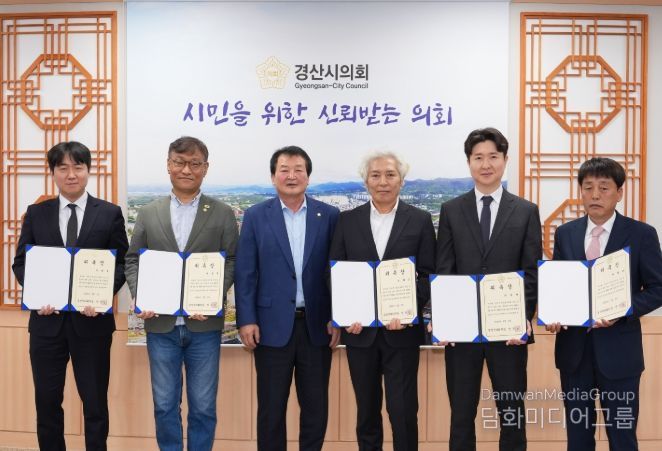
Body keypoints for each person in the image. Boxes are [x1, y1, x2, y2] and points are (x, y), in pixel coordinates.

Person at [12, 141, 129, 451]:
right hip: (46, 324)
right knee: (47, 402)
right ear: (53, 173)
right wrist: (37, 294)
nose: (71, 174)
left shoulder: (109, 213)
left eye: (78, 167)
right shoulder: (36, 213)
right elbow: (21, 262)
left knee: (95, 403)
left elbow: (121, 263)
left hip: (92, 324)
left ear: (88, 170)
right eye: (62, 168)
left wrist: (102, 296)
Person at [124, 136, 238, 451]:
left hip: (204, 327)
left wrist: (212, 296)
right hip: (161, 326)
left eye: (194, 163)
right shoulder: (149, 212)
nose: (187, 169)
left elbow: (232, 260)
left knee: (203, 407)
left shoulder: (222, 213)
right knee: (164, 405)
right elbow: (133, 259)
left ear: (205, 168)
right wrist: (140, 294)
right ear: (168, 165)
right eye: (180, 162)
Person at [434, 127, 541, 451]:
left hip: (508, 333)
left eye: (493, 156)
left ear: (505, 160)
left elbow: (531, 271)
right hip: (462, 334)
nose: (486, 164)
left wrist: (522, 318)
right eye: (478, 157)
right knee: (461, 415)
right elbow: (445, 270)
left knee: (511, 413)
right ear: (469, 162)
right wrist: (445, 320)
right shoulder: (451, 210)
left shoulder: (525, 211)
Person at [545, 157, 662, 451]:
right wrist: (554, 315)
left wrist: (622, 310)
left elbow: (658, 289)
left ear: (619, 192)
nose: (595, 195)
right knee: (578, 439)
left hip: (619, 354)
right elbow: (560, 285)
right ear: (581, 192)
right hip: (574, 354)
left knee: (622, 438)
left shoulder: (641, 234)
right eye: (588, 188)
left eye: (604, 188)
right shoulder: (566, 233)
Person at [235, 145, 340, 451]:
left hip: (317, 327)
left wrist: (337, 317)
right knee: (271, 410)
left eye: (298, 170)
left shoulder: (329, 215)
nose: (291, 176)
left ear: (308, 177)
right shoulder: (256, 216)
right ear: (273, 177)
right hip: (269, 328)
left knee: (316, 408)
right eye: (284, 170)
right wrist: (247, 319)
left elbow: (337, 272)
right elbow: (246, 272)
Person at [329, 150, 435, 451]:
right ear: (366, 181)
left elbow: (429, 274)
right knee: (366, 412)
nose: (383, 182)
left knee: (403, 412)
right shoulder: (347, 221)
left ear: (402, 180)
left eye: (390, 175)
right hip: (359, 333)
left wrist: (407, 310)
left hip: (402, 333)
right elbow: (334, 273)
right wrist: (346, 314)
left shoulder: (420, 220)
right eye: (375, 175)